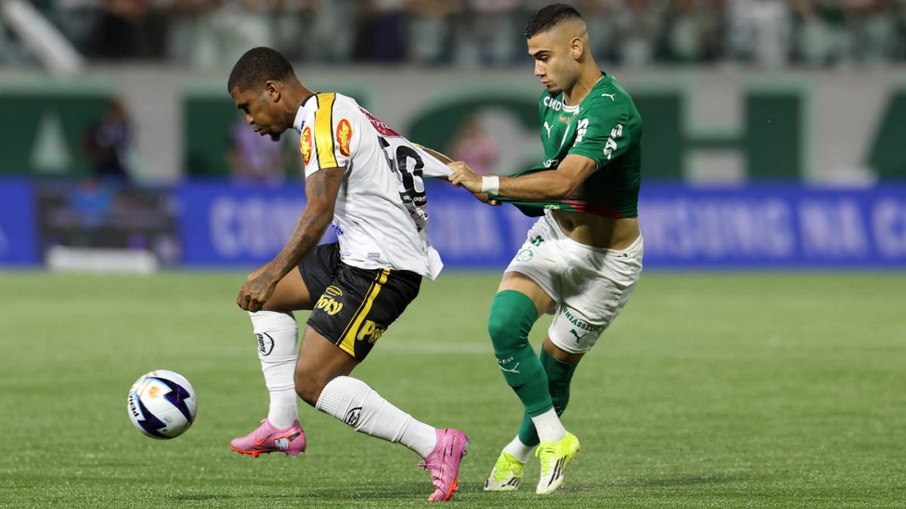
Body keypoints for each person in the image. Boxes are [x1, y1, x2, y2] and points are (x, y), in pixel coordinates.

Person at [226, 47, 467, 502]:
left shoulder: (320, 122)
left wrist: (274, 273)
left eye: (247, 107)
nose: (249, 121)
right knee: (263, 293)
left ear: (272, 90)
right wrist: (456, 171)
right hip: (357, 253)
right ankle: (282, 425)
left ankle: (436, 444)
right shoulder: (340, 107)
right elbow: (403, 149)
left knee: (312, 382)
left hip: (382, 267)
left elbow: (318, 212)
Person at [448, 3, 644, 495]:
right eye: (532, 59)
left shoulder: (613, 108)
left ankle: (516, 452)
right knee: (503, 325)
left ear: (576, 47)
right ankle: (557, 439)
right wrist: (505, 193)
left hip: (606, 266)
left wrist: (494, 183)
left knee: (555, 369)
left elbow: (566, 179)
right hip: (555, 237)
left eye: (543, 57)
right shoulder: (551, 102)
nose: (537, 71)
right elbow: (553, 182)